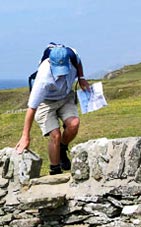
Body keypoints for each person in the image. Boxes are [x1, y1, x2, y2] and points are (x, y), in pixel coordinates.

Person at [15, 43, 90, 175]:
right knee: (55, 135)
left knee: (74, 124)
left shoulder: (71, 55)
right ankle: (55, 170)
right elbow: (32, 108)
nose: (61, 74)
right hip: (46, 102)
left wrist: (82, 77)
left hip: (65, 97)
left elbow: (78, 61)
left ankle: (62, 148)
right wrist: (25, 136)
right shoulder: (43, 79)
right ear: (50, 63)